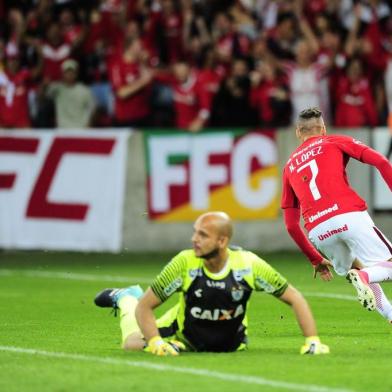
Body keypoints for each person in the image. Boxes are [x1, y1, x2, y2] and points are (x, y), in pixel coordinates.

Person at [94, 211, 329, 356]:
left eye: (203, 235)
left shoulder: (249, 265)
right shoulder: (184, 263)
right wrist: (155, 341)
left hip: (231, 344)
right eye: (195, 232)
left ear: (222, 240)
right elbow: (144, 307)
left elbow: (294, 297)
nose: (194, 239)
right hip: (184, 332)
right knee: (132, 344)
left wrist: (313, 341)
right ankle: (125, 297)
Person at [281, 107, 392, 322]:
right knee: (380, 267)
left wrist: (315, 259)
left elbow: (291, 225)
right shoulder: (333, 141)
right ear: (323, 129)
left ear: (298, 132)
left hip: (318, 230)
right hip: (348, 215)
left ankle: (389, 314)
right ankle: (365, 276)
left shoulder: (289, 167)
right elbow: (381, 162)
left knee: (359, 266)